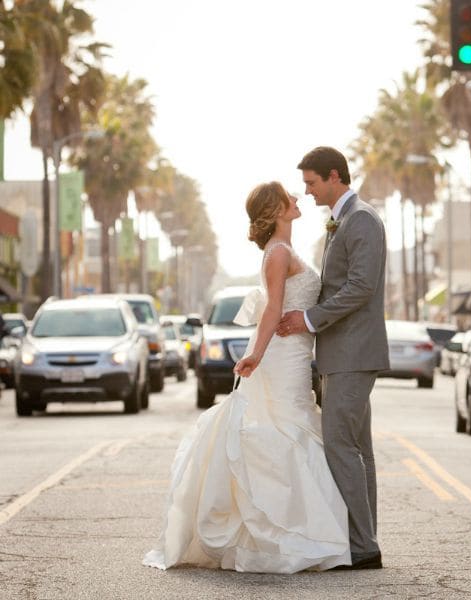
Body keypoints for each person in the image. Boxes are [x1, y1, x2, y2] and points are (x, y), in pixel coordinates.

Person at [143, 181, 351, 573]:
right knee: (286, 431)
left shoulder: (288, 251)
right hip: (281, 355)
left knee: (293, 428)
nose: (297, 196)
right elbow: (272, 310)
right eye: (289, 196)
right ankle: (284, 531)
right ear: (275, 210)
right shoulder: (278, 254)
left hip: (295, 352)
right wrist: (255, 355)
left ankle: (302, 526)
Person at [277, 146, 389, 570]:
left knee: (341, 446)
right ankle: (365, 541)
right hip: (341, 353)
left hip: (353, 353)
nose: (307, 192)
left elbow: (360, 288)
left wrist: (307, 318)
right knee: (358, 449)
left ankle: (362, 547)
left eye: (311, 183)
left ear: (334, 177)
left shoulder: (362, 220)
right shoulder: (343, 220)